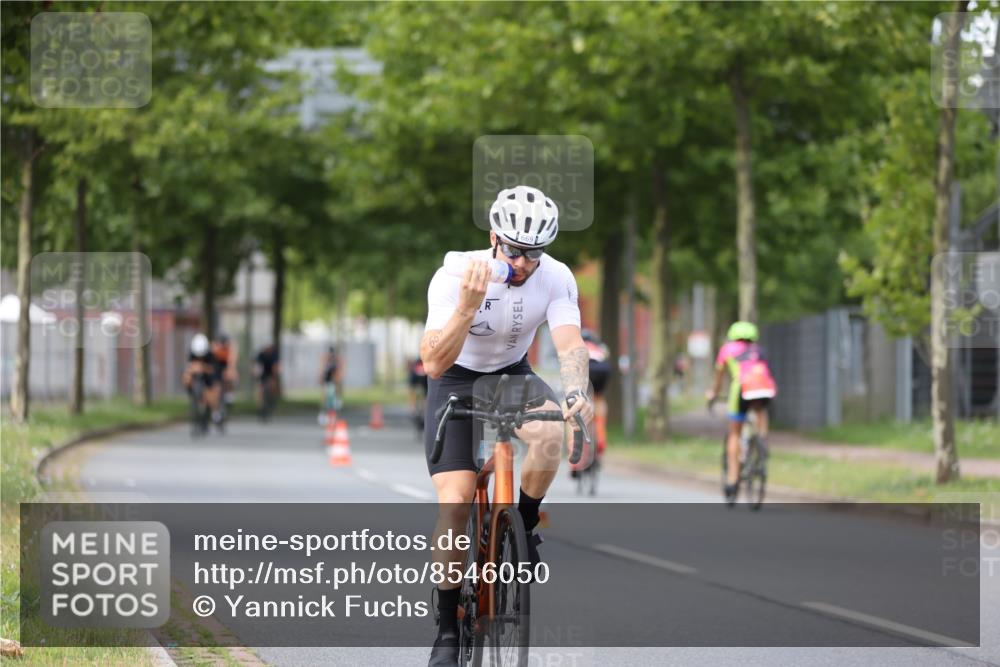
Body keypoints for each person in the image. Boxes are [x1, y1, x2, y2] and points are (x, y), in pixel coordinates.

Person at [421, 185, 593, 666]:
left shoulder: (556, 277)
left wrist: (578, 390)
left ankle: (523, 523)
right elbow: (433, 362)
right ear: (494, 238)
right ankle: (448, 626)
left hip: (510, 375)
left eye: (533, 253)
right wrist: (467, 307)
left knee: (551, 433)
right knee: (454, 502)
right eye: (515, 250)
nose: (522, 263)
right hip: (455, 376)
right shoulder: (454, 277)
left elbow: (569, 341)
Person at [705, 321, 777, 502]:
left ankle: (732, 478)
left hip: (742, 390)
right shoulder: (760, 350)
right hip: (764, 388)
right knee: (760, 410)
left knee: (734, 433)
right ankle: (762, 441)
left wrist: (713, 393)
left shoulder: (727, 350)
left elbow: (719, 378)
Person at [570, 328, 610, 476]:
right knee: (598, 398)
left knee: (574, 407)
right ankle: (600, 439)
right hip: (603, 370)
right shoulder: (600, 348)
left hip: (584, 368)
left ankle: (575, 456)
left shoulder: (575, 346)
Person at [182, 333, 220, 419]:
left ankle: (215, 411)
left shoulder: (211, 355)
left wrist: (202, 368)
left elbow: (213, 370)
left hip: (208, 377)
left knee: (212, 391)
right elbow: (188, 367)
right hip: (196, 376)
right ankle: (192, 395)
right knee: (186, 377)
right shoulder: (191, 354)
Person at [211, 332, 238, 413]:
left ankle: (229, 393)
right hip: (216, 366)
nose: (223, 345)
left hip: (226, 364)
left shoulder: (231, 347)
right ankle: (215, 410)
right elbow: (211, 361)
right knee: (215, 387)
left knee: (231, 375)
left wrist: (230, 370)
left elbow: (232, 360)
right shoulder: (214, 347)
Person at [254, 343, 281, 414]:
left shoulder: (274, 355)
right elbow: (256, 366)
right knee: (260, 389)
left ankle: (272, 399)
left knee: (272, 385)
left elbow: (276, 366)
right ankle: (260, 407)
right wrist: (256, 373)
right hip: (263, 372)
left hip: (271, 372)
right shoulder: (261, 354)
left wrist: (275, 376)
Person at [407, 357, 429, 433]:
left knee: (426, 400)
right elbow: (411, 390)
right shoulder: (413, 373)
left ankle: (424, 413)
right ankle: (417, 413)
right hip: (416, 383)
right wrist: (412, 406)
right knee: (414, 396)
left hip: (427, 384)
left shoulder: (428, 371)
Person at [319, 344, 342, 414]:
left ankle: (333, 409)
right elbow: (323, 371)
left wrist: (336, 380)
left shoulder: (335, 361)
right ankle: (326, 409)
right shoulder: (326, 361)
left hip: (332, 381)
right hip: (327, 380)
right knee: (326, 396)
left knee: (332, 395)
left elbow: (337, 372)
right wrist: (321, 378)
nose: (330, 354)